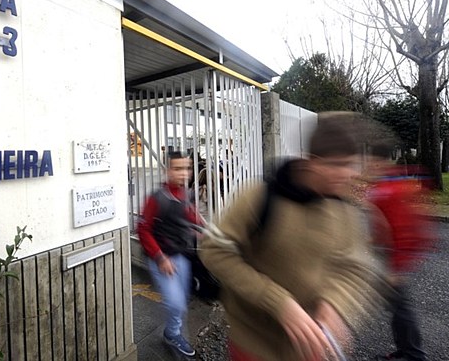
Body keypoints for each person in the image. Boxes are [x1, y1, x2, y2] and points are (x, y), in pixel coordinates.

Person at [199, 115, 384, 361]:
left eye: (351, 164)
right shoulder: (258, 197)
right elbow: (213, 250)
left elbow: (355, 267)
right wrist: (278, 302)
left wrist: (335, 304)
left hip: (310, 349)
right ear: (311, 161)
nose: (348, 174)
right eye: (337, 164)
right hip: (254, 345)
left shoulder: (346, 211)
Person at [367, 143, 434, 361]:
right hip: (389, 256)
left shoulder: (391, 189)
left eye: (373, 163)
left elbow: (403, 229)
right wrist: (370, 243)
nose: (370, 167)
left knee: (402, 308)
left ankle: (414, 354)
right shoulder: (384, 186)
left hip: (395, 259)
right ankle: (405, 350)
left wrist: (397, 267)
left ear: (381, 162)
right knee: (397, 307)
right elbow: (381, 225)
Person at [137, 151, 203, 357]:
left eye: (186, 168)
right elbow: (143, 229)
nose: (183, 173)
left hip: (181, 256)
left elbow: (190, 217)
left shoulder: (186, 195)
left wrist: (201, 230)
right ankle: (172, 334)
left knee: (181, 301)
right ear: (167, 170)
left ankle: (173, 330)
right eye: (177, 168)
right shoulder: (157, 198)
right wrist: (160, 257)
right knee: (176, 302)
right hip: (162, 259)